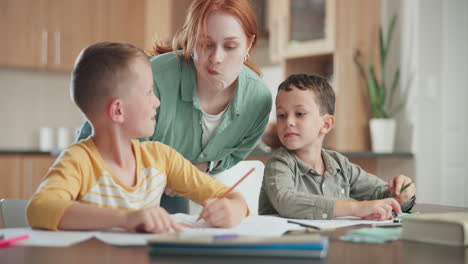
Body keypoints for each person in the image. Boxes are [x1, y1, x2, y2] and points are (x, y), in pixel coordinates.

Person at [27, 42, 248, 232]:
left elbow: (230, 197)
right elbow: (39, 209)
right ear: (118, 111)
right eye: (149, 92)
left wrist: (233, 209)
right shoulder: (78, 161)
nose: (156, 102)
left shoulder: (160, 158)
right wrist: (126, 219)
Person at [76, 0, 272, 213]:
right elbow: (121, 152)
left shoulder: (258, 100)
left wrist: (204, 169)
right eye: (206, 44)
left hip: (169, 186)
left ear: (249, 44)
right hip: (107, 172)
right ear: (191, 40)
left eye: (230, 47)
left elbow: (234, 155)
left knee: (173, 235)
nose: (217, 58)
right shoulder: (154, 79)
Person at [258, 74, 416, 220]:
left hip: (333, 243)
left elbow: (381, 194)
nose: (288, 122)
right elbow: (287, 202)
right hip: (288, 248)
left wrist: (402, 194)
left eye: (299, 113)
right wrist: (355, 208)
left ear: (326, 124)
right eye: (281, 115)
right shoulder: (279, 163)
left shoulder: (341, 165)